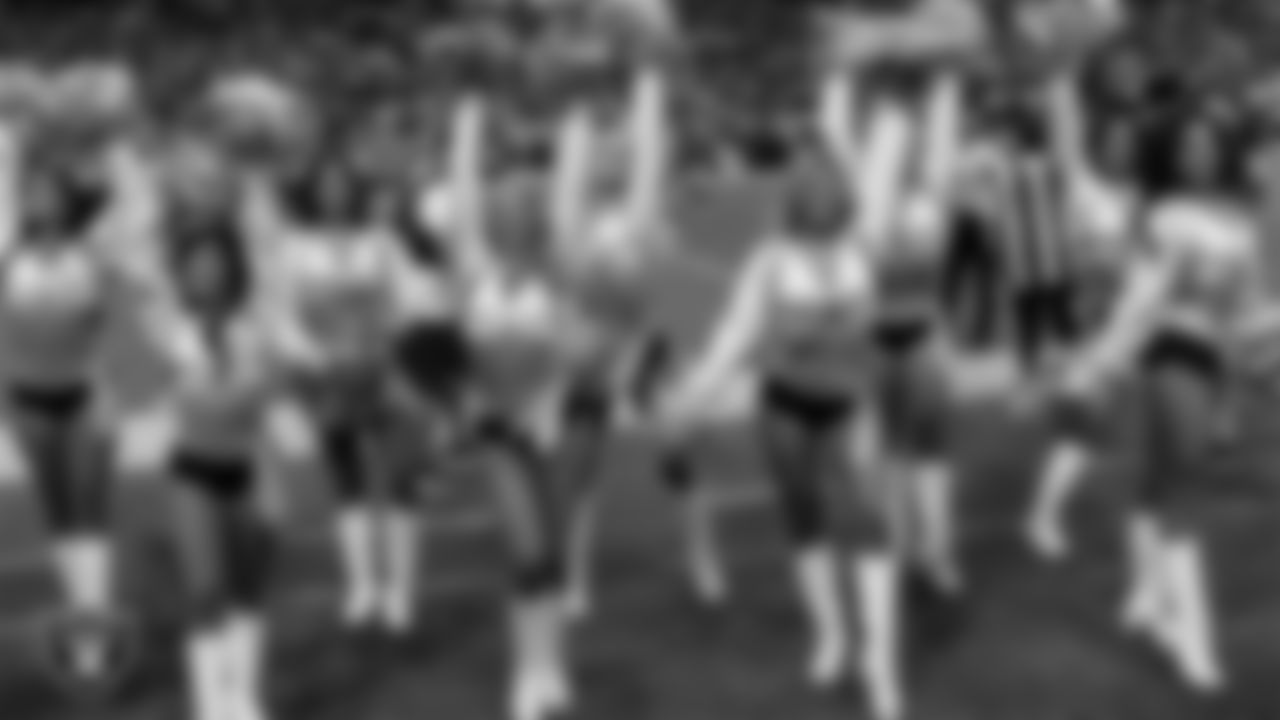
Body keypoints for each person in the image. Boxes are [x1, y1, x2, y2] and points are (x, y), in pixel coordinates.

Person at [660, 143, 902, 718]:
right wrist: (691, 400)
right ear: (796, 204)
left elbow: (891, 156)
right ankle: (832, 636)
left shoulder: (866, 244)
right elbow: (734, 337)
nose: (824, 214)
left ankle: (881, 663)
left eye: (833, 201)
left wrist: (901, 94)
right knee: (804, 520)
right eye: (812, 202)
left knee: (870, 522)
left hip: (853, 406)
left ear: (845, 201)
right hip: (784, 408)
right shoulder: (768, 260)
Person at [1062, 105, 1272, 694]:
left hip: (1211, 360)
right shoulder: (1160, 217)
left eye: (1209, 143)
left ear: (1225, 150)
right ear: (1171, 156)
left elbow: (1251, 306)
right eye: (1187, 145)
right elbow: (1139, 303)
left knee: (1158, 481)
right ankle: (1192, 639)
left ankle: (1149, 595)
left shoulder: (1241, 219)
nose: (1199, 154)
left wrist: (1266, 357)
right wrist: (1097, 369)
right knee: (1186, 489)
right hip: (1170, 354)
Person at [126, 190, 312, 720]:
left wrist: (254, 180)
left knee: (249, 592)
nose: (207, 273)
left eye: (217, 262)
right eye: (196, 264)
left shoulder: (261, 320)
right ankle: (212, 705)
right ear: (181, 272)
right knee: (206, 590)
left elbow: (273, 252)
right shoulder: (168, 322)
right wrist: (133, 161)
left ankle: (244, 698)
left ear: (234, 267)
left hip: (255, 470)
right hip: (193, 472)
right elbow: (140, 250)